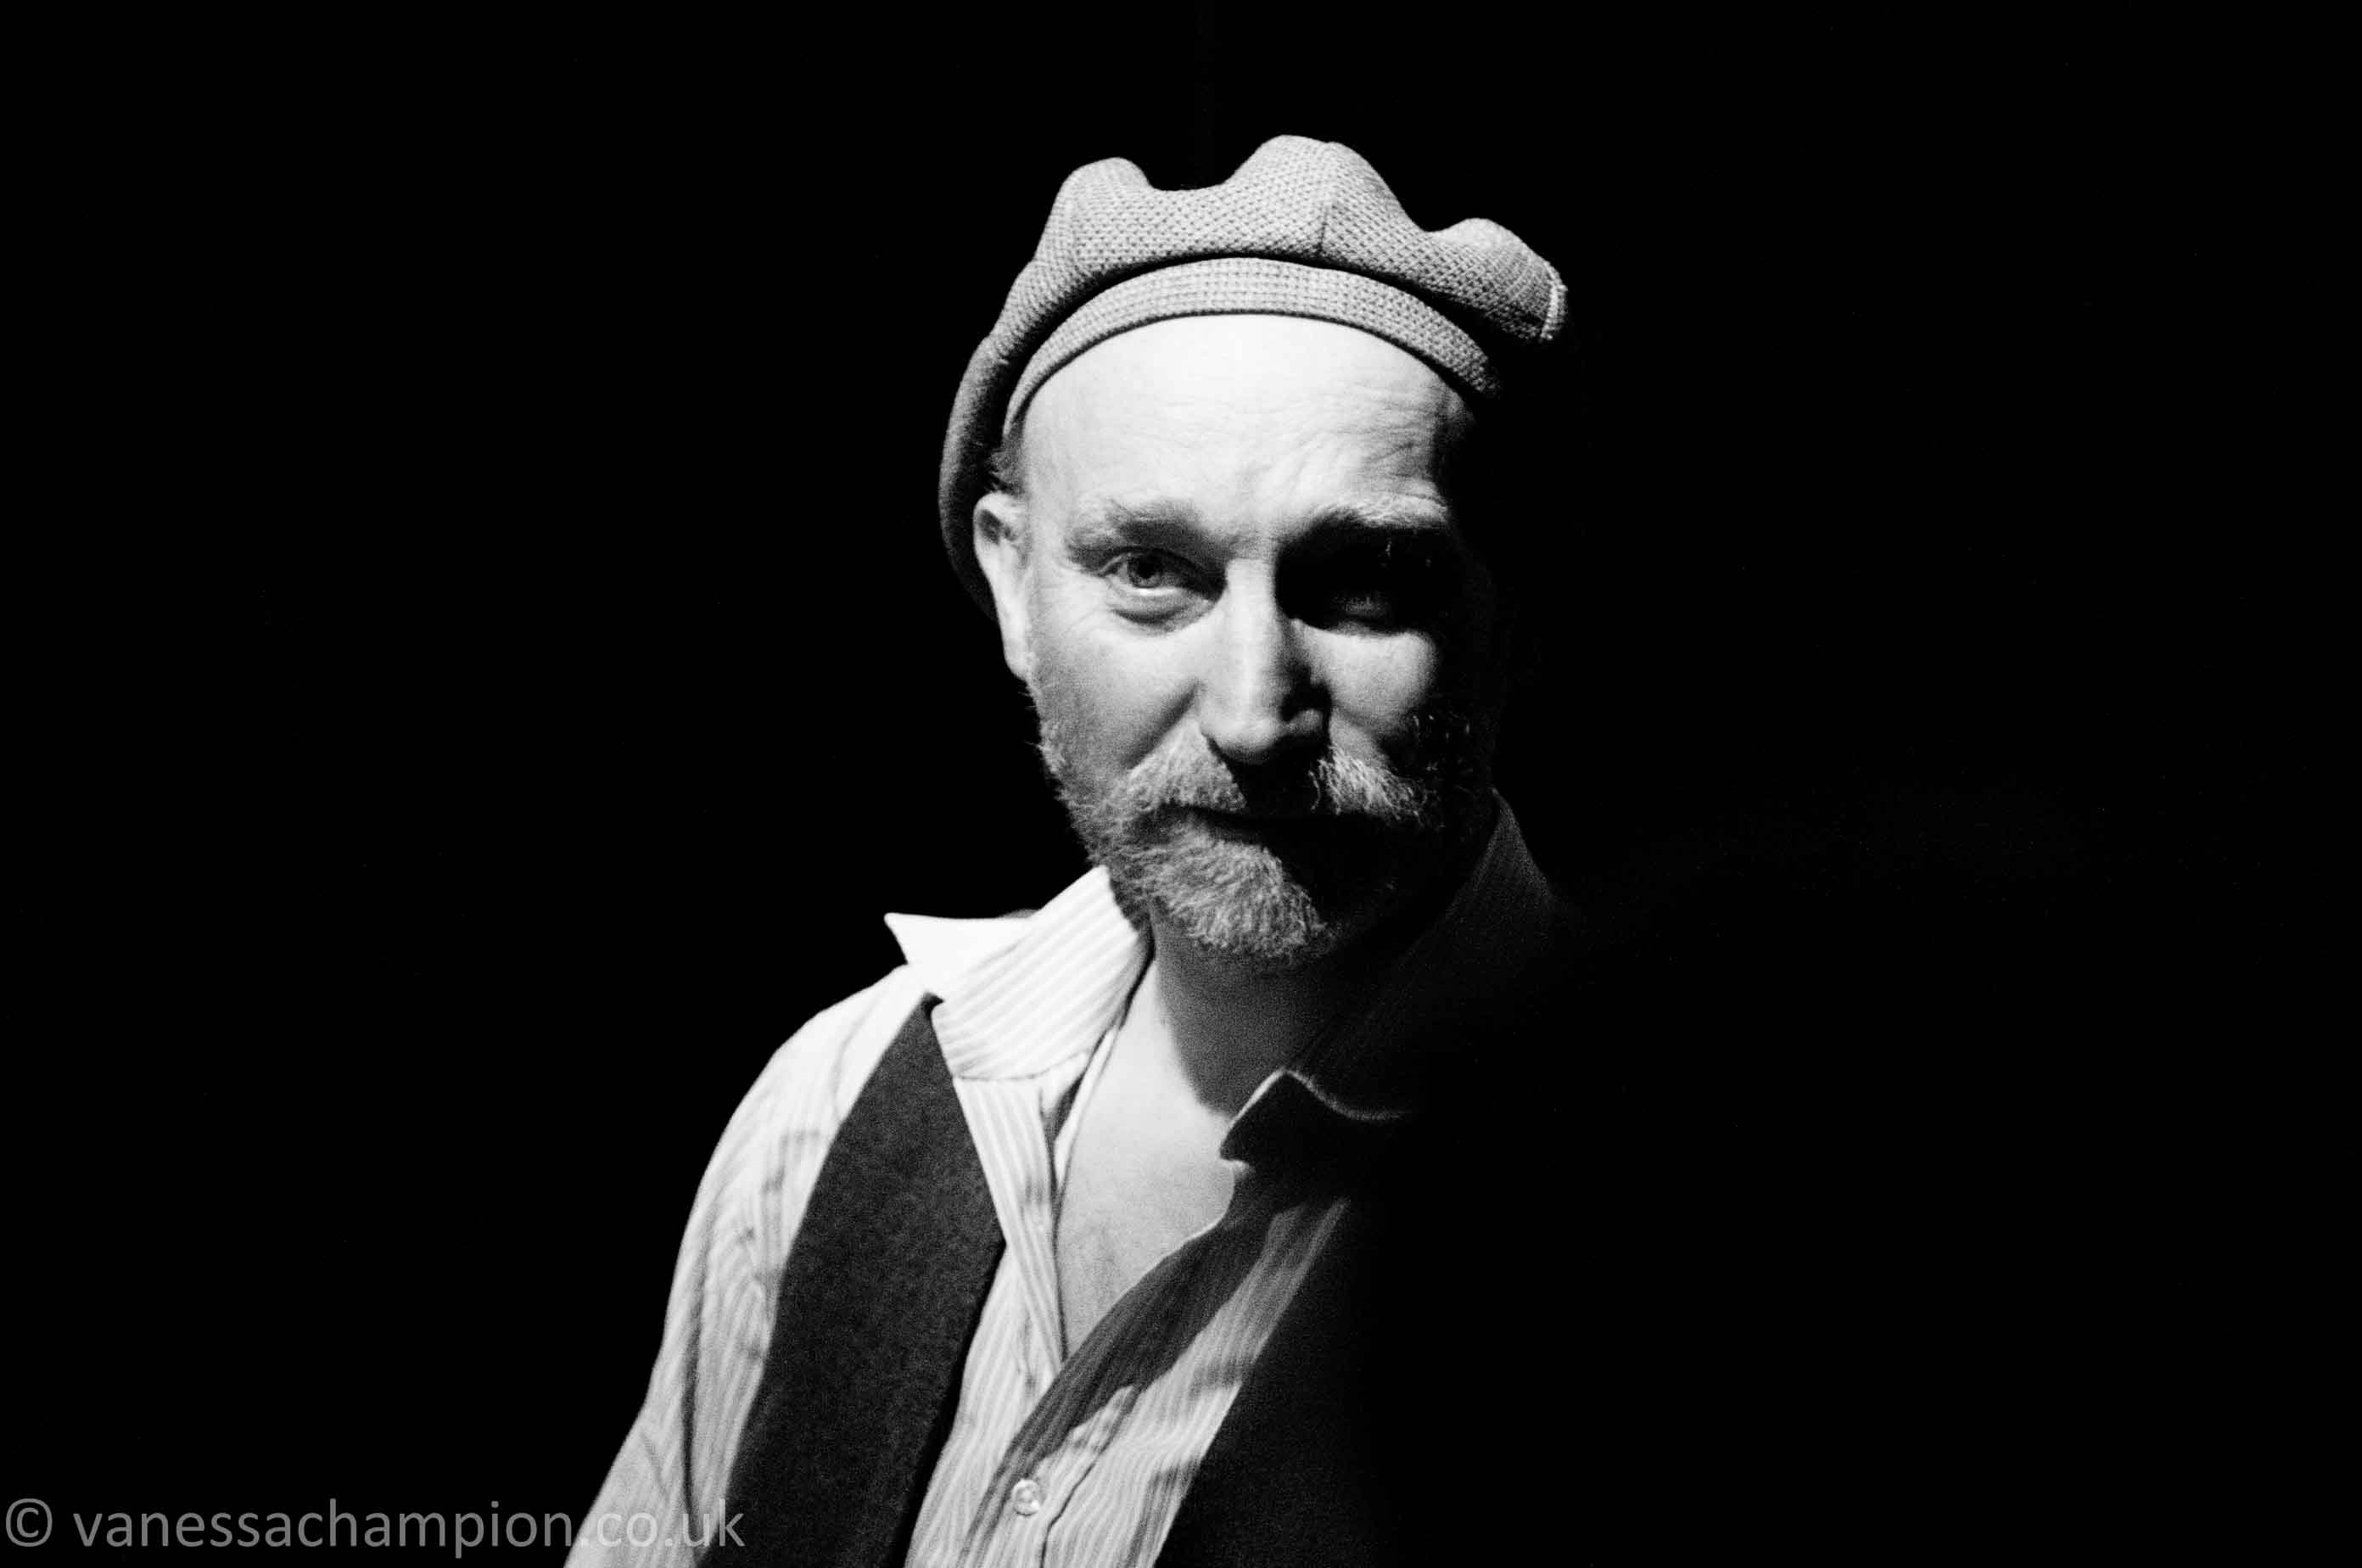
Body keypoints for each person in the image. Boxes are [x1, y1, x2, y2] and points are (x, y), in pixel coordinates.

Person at [568, 134, 1586, 1565]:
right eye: (1151, 572)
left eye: (1364, 579)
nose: (1252, 714)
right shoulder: (834, 1107)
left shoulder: (1667, 1195)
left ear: (1520, 609)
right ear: (1011, 583)